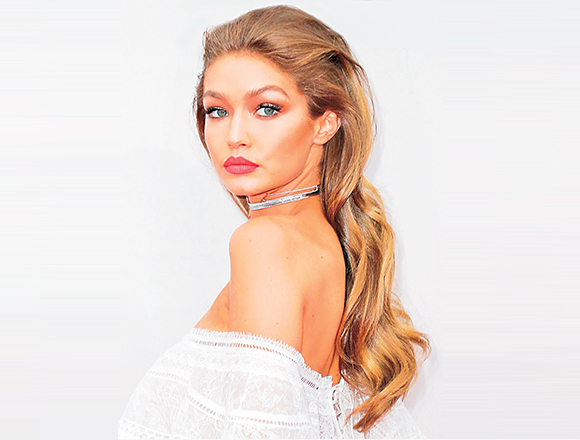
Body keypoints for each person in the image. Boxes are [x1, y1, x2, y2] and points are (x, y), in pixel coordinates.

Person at [118, 5, 429, 439]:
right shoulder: (324, 241)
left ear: (325, 123)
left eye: (266, 108)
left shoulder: (264, 243)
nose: (234, 136)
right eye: (217, 111)